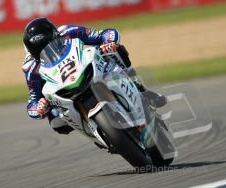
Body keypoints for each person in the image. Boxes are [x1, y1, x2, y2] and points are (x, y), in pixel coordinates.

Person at [22, 17, 166, 134]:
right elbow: (33, 101)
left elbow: (106, 33)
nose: (45, 48)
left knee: (113, 52)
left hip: (85, 68)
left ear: (55, 35)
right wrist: (40, 107)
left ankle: (140, 90)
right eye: (38, 48)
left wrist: (108, 43)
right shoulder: (30, 68)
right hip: (62, 91)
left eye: (49, 42)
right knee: (55, 122)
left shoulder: (69, 31)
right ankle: (94, 130)